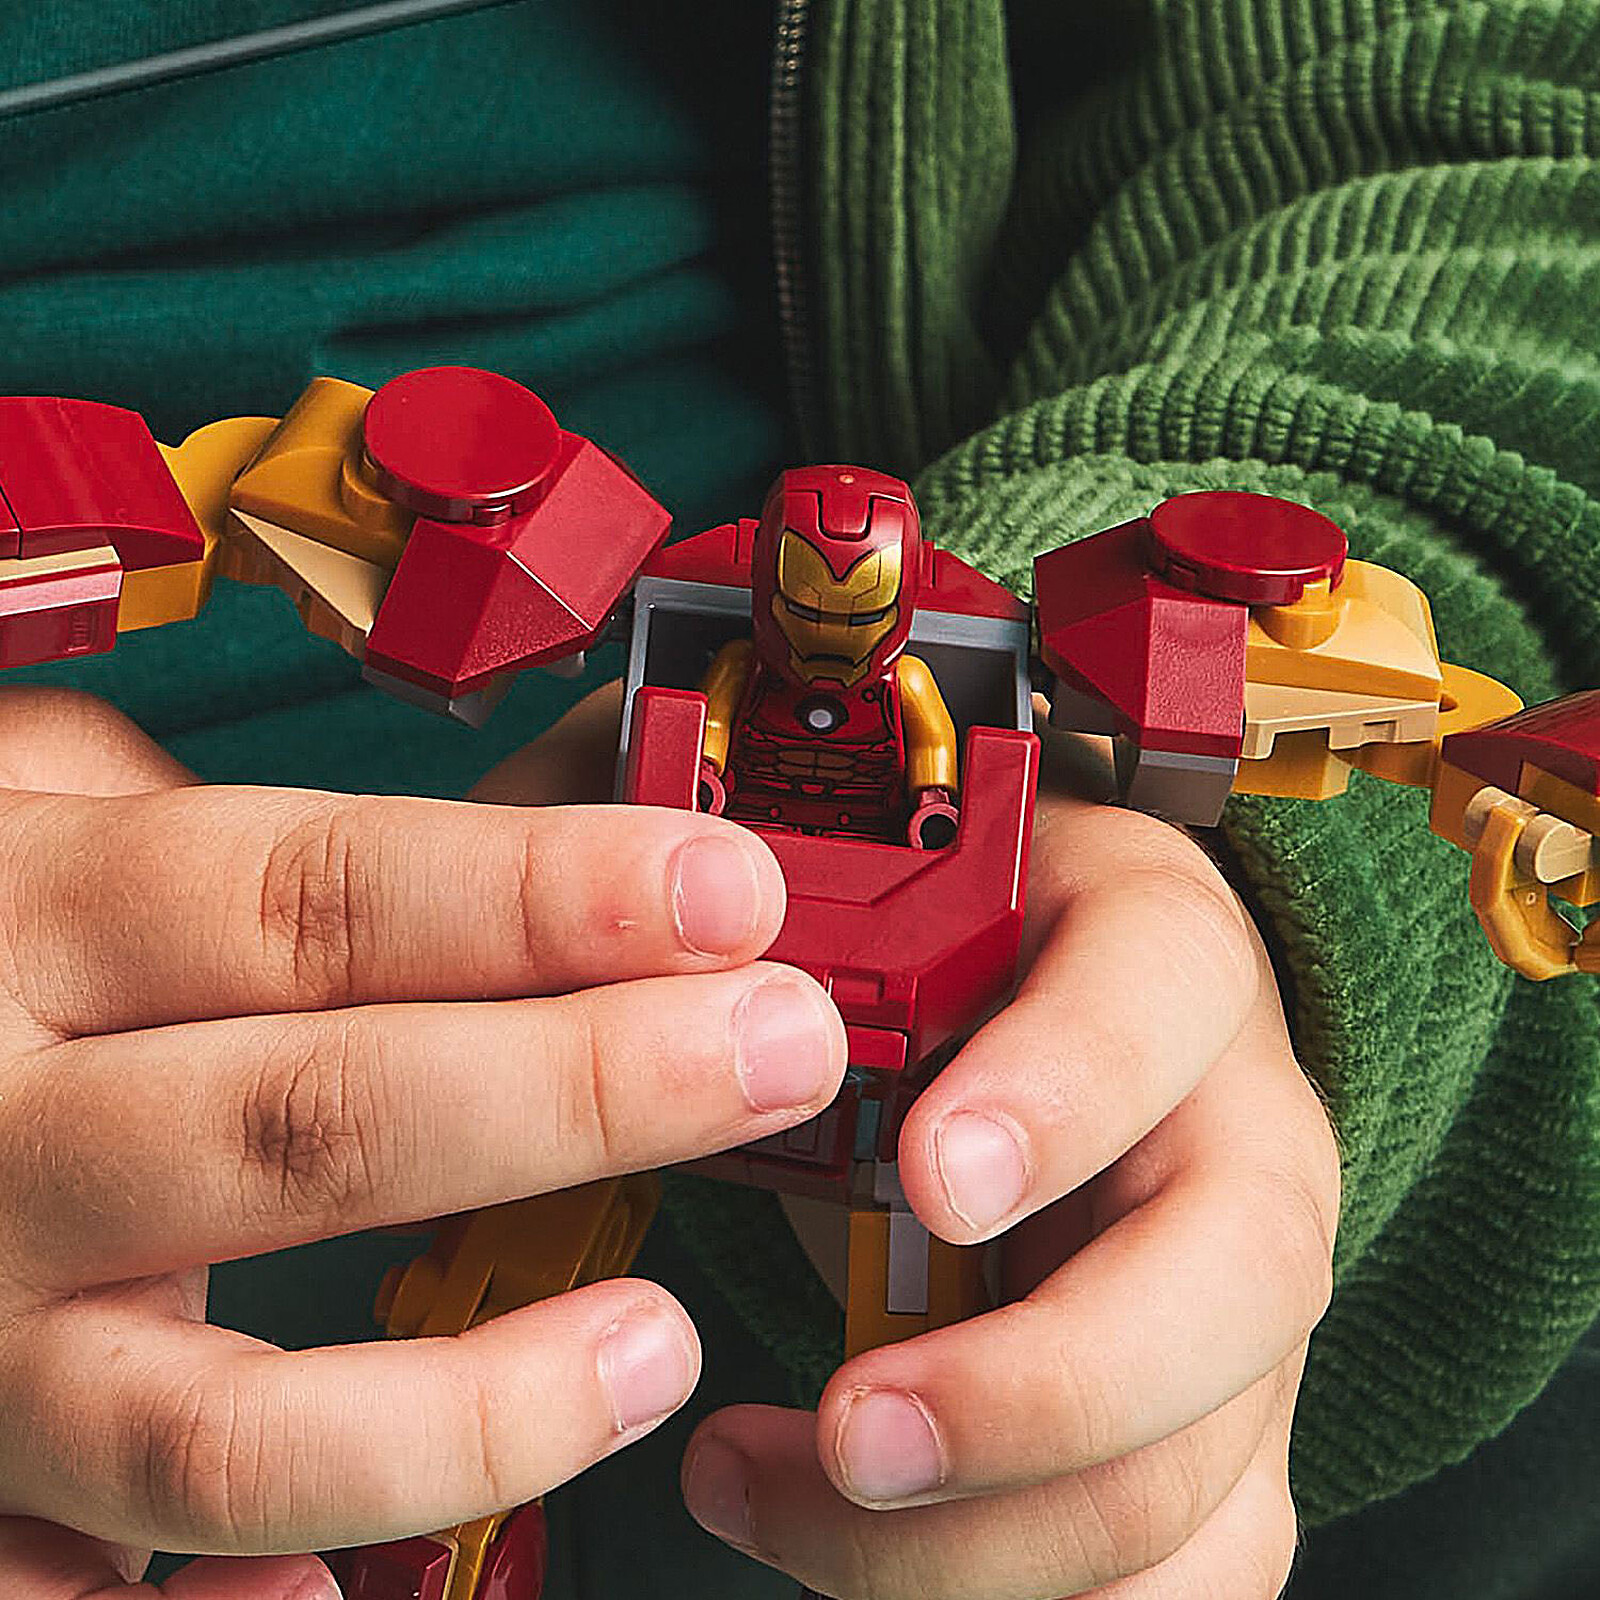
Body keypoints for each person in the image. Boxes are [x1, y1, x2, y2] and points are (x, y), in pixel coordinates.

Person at [0, 3, 1592, 1598]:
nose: (827, 640)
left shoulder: (957, 677)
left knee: (937, 1340)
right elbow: (249, 497)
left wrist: (1243, 885)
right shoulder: (679, 619)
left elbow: (1467, 122)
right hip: (503, 1009)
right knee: (497, 1301)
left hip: (909, 1033)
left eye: (857, 616)